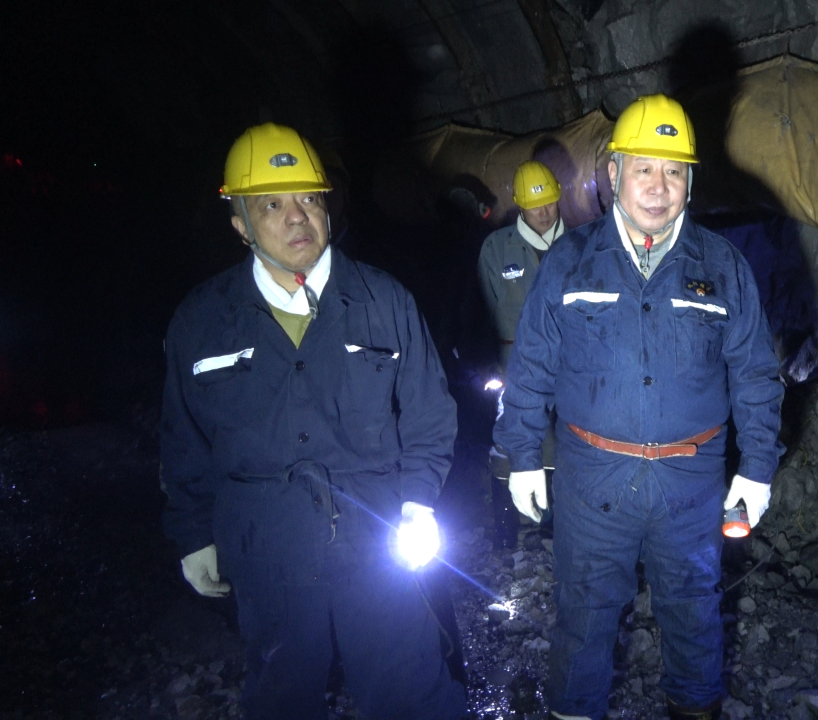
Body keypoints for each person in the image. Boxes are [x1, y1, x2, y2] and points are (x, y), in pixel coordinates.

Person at [159, 123, 466, 720]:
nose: (297, 217)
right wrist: (193, 534)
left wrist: (417, 502)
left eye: (308, 198)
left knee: (411, 690)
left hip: (377, 542)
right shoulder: (201, 321)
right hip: (266, 548)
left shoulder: (385, 301)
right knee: (281, 694)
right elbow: (184, 438)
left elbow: (429, 413)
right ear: (240, 224)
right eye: (271, 205)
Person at [494, 94, 785, 720]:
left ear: (690, 181)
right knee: (583, 618)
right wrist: (521, 453)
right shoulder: (570, 261)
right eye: (644, 168)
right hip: (591, 482)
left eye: (674, 171)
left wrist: (757, 467)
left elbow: (756, 374)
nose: (659, 186)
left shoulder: (723, 266)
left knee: (694, 612)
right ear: (614, 172)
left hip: (690, 482)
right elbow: (533, 364)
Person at [478, 160, 565, 548]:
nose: (544, 212)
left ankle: (558, 528)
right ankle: (505, 532)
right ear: (519, 206)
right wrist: (488, 362)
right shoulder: (497, 249)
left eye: (549, 203)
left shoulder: (580, 246)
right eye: (534, 206)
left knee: (566, 446)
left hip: (569, 367)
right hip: (513, 367)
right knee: (511, 444)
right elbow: (483, 308)